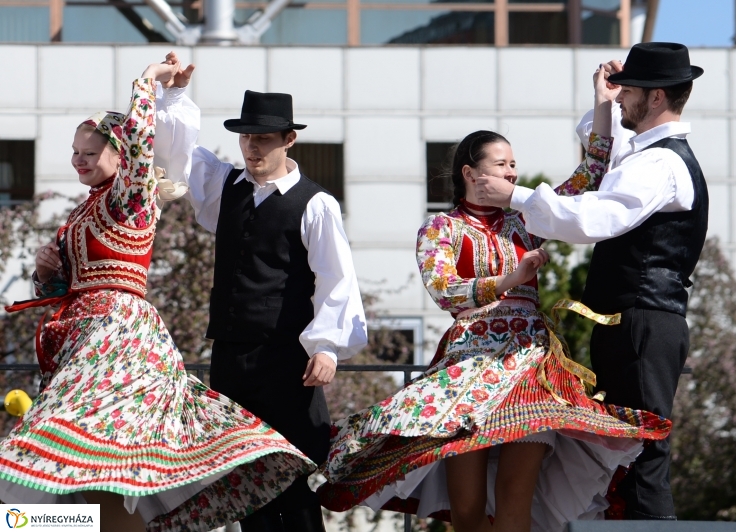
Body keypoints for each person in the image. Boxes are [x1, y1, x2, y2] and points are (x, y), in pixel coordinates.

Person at [315, 63, 671, 532]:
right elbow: (445, 292)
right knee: (466, 511)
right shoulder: (440, 229)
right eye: (502, 164)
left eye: (513, 165)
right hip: (468, 368)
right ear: (470, 172)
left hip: (529, 365)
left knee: (513, 504)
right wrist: (511, 279)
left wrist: (604, 105)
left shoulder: (527, 216)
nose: (512, 171)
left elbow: (591, 174)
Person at [0, 61, 316, 531]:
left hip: (119, 346)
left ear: (118, 154)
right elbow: (61, 288)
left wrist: (147, 83)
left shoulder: (131, 195)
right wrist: (46, 273)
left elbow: (140, 145)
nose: (79, 160)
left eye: (89, 152)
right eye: (74, 153)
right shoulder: (82, 210)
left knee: (99, 472)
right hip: (80, 347)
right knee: (75, 475)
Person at [473, 42, 708, 520]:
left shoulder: (661, 163)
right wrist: (604, 101)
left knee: (642, 450)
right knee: (623, 451)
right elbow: (607, 148)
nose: (622, 99)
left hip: (645, 321)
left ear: (657, 97)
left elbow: (594, 218)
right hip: (632, 324)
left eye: (631, 92)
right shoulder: (647, 155)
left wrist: (514, 196)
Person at [154, 53, 368, 532]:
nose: (252, 147)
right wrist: (173, 94)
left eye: (264, 138)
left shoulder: (316, 204)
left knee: (291, 483)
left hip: (287, 361)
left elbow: (337, 278)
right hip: (230, 355)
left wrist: (328, 346)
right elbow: (176, 154)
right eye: (246, 136)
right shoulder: (225, 186)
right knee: (243, 480)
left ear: (289, 140)